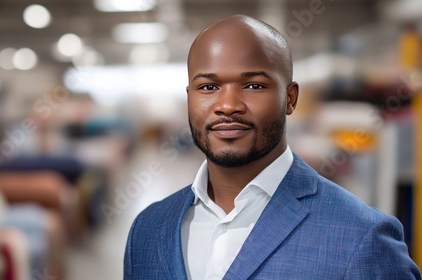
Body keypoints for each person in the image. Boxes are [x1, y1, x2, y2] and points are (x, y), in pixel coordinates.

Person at [124, 14, 421, 279]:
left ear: (290, 98)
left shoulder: (362, 236)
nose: (227, 106)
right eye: (208, 87)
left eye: (253, 85)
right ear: (190, 97)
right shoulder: (149, 230)